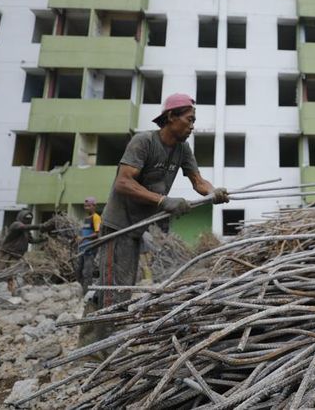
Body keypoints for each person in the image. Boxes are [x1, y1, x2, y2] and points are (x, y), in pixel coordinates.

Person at [78, 93, 229, 347]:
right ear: (170, 117)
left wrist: (213, 193)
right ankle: (93, 348)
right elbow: (123, 182)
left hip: (138, 228)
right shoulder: (144, 142)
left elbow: (198, 181)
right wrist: (162, 201)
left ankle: (103, 343)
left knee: (124, 287)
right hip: (119, 225)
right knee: (112, 287)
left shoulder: (182, 149)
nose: (193, 125)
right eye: (189, 119)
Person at [0, 209, 55, 294]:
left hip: (16, 255)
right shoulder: (16, 225)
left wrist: (44, 239)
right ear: (21, 217)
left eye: (29, 218)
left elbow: (32, 240)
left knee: (11, 273)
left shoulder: (26, 231)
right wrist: (42, 226)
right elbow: (24, 227)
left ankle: (11, 291)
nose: (28, 220)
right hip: (6, 253)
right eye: (26, 218)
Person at [75, 197, 101, 293]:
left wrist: (84, 238)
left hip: (90, 248)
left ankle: (86, 293)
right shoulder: (86, 219)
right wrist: (78, 238)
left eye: (89, 206)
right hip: (82, 248)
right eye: (85, 206)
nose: (86, 208)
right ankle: (79, 291)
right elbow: (84, 233)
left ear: (94, 206)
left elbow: (97, 233)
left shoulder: (96, 217)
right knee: (79, 270)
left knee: (87, 272)